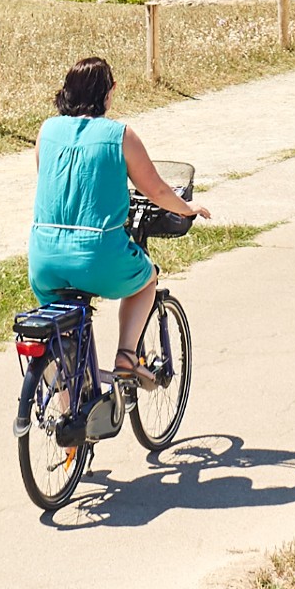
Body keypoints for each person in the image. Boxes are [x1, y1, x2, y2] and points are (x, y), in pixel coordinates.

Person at [28, 53, 194, 382]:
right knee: (146, 279)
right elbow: (157, 191)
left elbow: (50, 182)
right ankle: (127, 356)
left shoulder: (47, 130)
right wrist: (188, 209)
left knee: (64, 343)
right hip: (97, 257)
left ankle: (67, 419)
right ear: (110, 91)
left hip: (43, 259)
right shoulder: (120, 135)